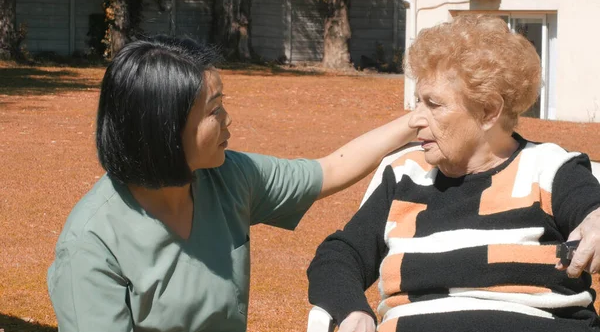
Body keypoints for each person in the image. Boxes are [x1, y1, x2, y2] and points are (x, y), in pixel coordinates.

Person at [46, 35, 416, 332]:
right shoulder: (91, 246)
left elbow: (330, 170)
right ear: (165, 129)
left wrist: (415, 122)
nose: (228, 119)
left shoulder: (227, 177)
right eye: (214, 109)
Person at [307, 15, 600, 332]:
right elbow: (339, 255)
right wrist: (353, 310)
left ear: (488, 111)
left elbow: (589, 209)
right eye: (418, 101)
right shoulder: (405, 176)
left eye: (433, 104)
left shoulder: (549, 168)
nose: (415, 120)